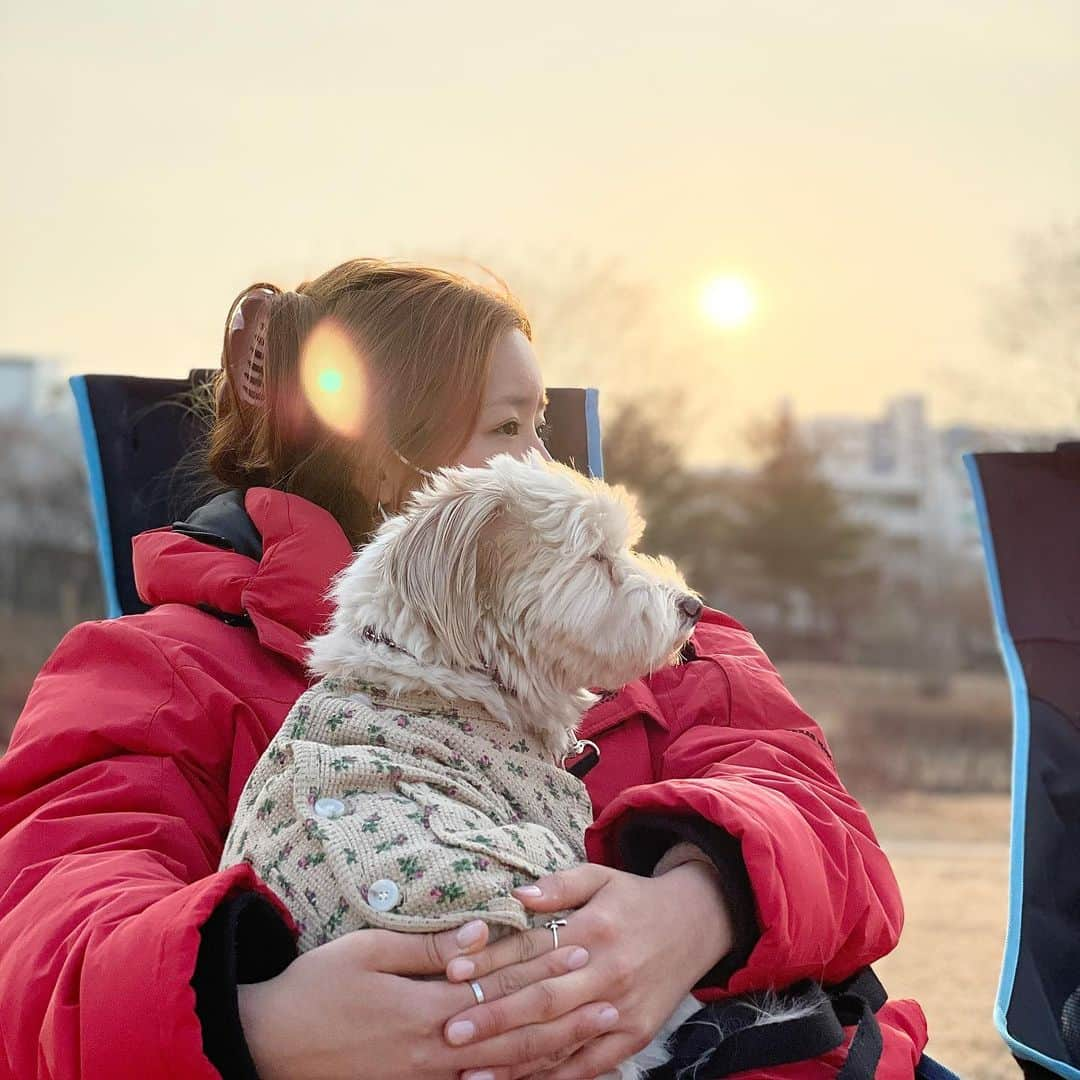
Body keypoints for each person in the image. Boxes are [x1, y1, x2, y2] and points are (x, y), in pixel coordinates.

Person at [0, 259, 930, 1080]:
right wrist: (260, 1027)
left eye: (545, 425)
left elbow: (827, 826)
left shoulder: (668, 641)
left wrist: (691, 910)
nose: (548, 465)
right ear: (381, 463)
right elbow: (47, 947)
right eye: (507, 428)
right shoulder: (158, 668)